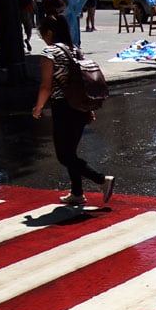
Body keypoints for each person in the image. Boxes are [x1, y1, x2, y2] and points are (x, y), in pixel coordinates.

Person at [32, 14, 115, 208]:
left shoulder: (49, 52)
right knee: (71, 152)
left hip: (63, 107)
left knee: (64, 155)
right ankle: (77, 193)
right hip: (80, 106)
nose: (43, 38)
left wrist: (38, 107)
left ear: (49, 33)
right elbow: (82, 82)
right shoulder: (75, 50)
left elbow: (46, 86)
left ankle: (102, 180)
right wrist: (88, 109)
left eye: (43, 34)